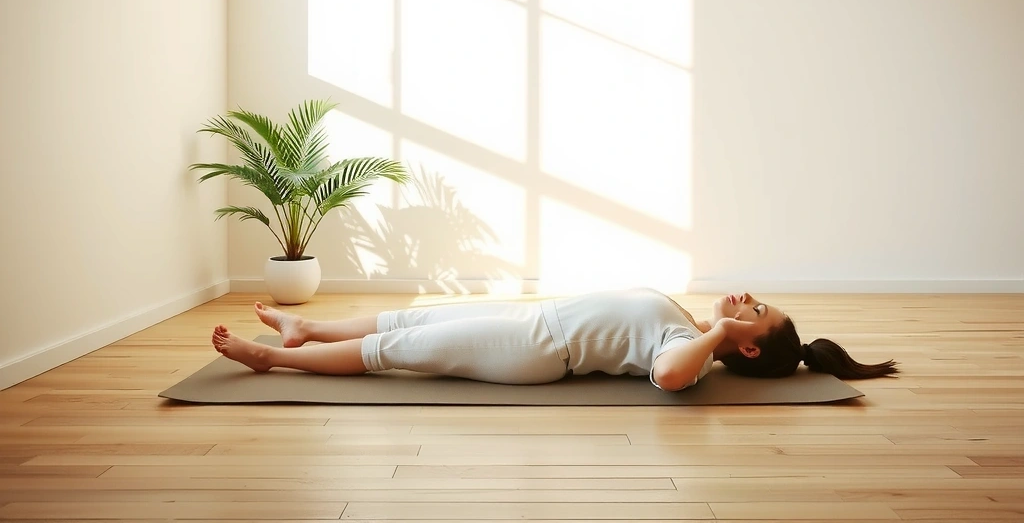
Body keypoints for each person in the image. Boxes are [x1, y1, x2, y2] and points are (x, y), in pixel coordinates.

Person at [211, 287, 899, 391]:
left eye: (755, 310)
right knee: (411, 322)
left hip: (538, 351)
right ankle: (306, 328)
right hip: (537, 318)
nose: (745, 298)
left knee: (398, 352)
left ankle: (271, 358)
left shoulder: (688, 351)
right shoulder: (687, 327)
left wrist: (714, 330)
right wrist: (712, 325)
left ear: (747, 345)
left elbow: (668, 378)